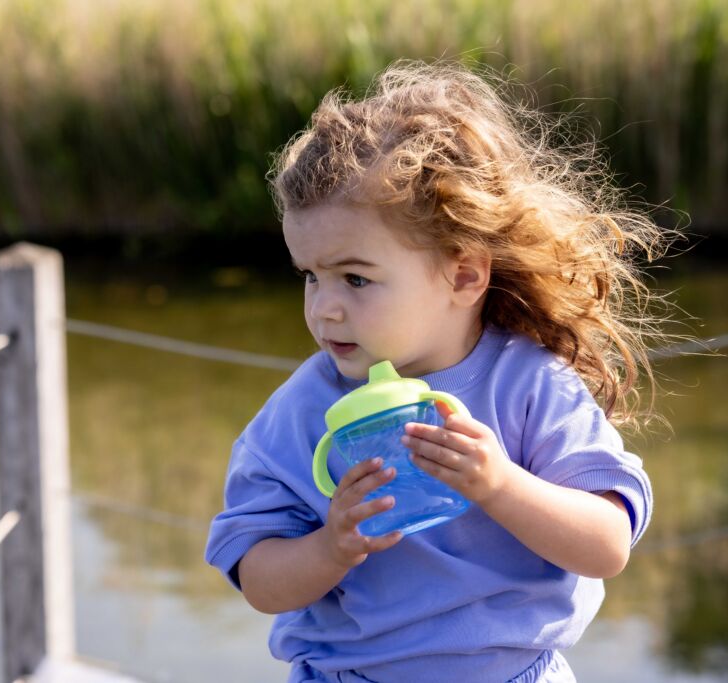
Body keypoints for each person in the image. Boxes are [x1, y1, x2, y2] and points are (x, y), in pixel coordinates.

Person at [205, 60, 673, 683]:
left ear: (463, 275)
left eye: (355, 277)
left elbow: (608, 543)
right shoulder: (302, 408)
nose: (325, 307)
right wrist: (331, 547)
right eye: (310, 277)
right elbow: (259, 578)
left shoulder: (527, 384)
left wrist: (500, 485)